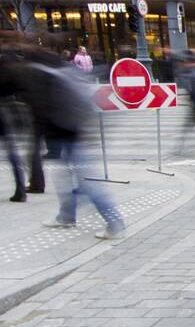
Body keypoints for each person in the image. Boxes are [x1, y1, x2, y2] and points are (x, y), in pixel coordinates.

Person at [0, 49, 124, 238]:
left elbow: (41, 109)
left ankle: (115, 223)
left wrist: (38, 134)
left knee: (87, 183)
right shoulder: (58, 73)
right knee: (65, 178)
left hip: (66, 133)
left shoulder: (37, 76)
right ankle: (66, 216)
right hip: (69, 132)